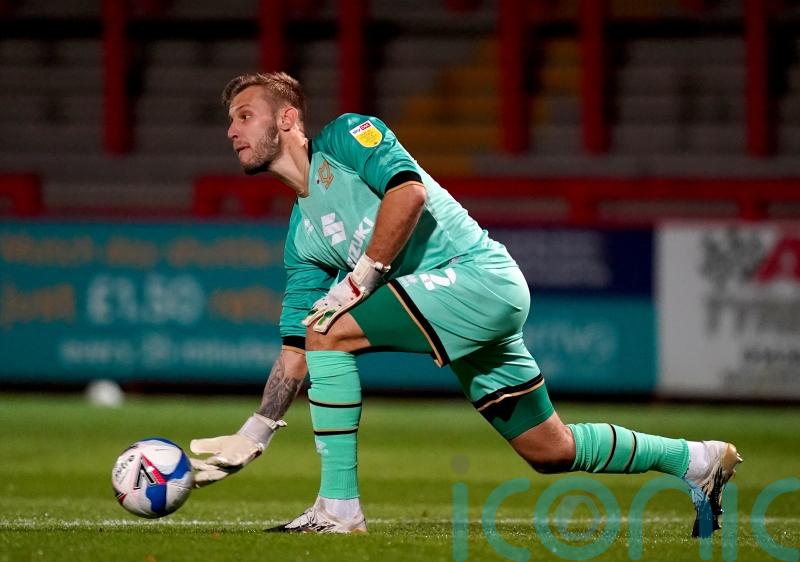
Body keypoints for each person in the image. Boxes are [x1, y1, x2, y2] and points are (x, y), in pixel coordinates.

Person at [189, 71, 742, 536]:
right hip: (454, 302)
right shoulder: (302, 239)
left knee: (332, 331)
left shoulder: (346, 136)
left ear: (286, 120)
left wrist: (360, 279)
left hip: (479, 279)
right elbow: (295, 350)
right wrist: (254, 432)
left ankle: (338, 509)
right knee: (550, 449)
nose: (232, 131)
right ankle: (697, 460)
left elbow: (409, 192)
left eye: (244, 115)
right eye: (232, 121)